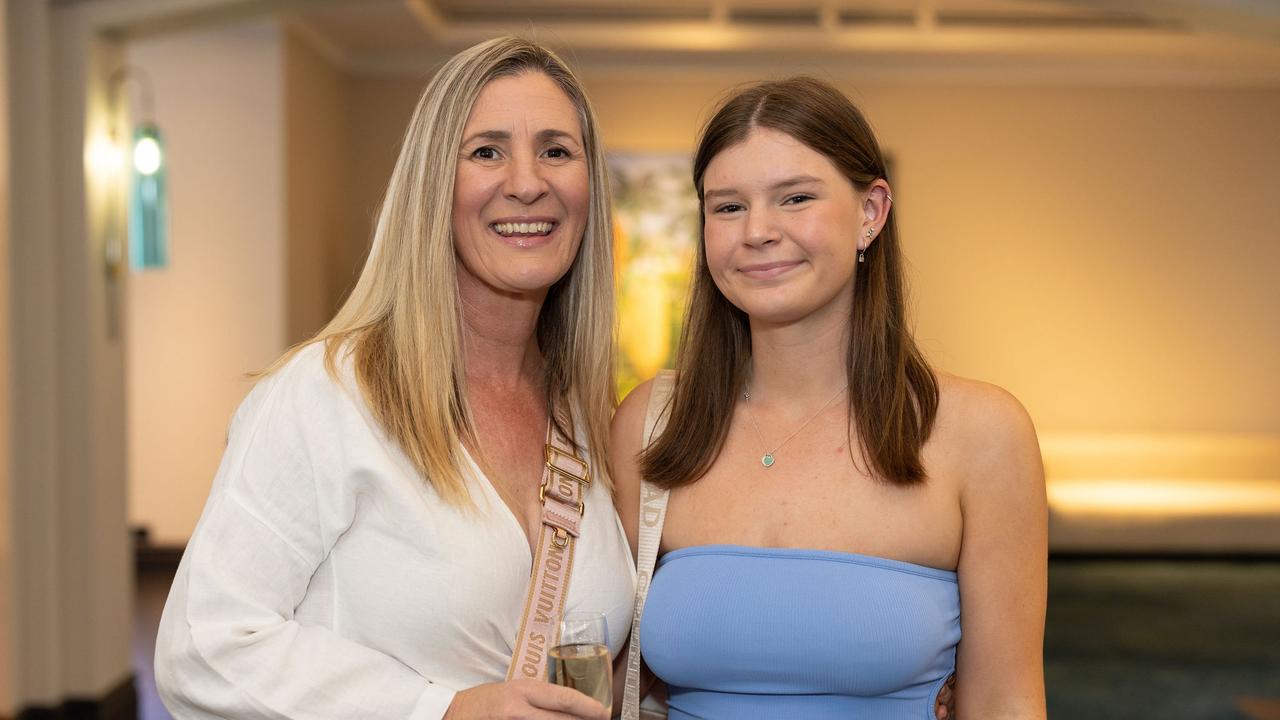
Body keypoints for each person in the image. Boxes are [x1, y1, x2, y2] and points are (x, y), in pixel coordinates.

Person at [156, 37, 632, 720]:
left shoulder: (584, 415)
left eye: (557, 150)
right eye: (487, 151)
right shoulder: (327, 394)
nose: (528, 181)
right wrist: (442, 710)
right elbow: (202, 647)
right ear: (433, 182)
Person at [613, 77, 1047, 719]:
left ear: (870, 212)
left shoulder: (980, 432)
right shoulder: (652, 424)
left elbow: (1006, 700)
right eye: (727, 207)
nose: (757, 231)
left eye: (795, 198)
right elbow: (611, 677)